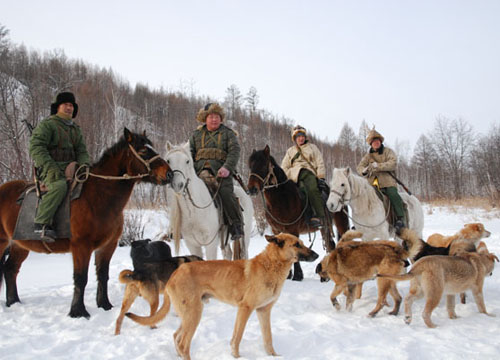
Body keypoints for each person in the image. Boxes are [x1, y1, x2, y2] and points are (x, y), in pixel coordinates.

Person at [29, 92, 90, 242]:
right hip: (50, 169)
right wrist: (50, 167)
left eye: (71, 105)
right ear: (58, 107)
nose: (69, 108)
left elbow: (81, 151)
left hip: (72, 168)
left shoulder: (75, 129)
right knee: (59, 186)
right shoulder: (48, 125)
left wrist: (85, 165)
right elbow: (36, 147)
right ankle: (41, 223)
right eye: (66, 105)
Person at [189, 103, 244, 240]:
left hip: (220, 173)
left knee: (226, 193)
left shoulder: (228, 134)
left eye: (217, 117)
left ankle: (236, 225)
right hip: (198, 172)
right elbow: (189, 153)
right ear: (205, 118)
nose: (214, 119)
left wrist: (227, 168)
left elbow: (234, 151)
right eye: (211, 117)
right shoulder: (196, 134)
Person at [357, 128, 405, 232]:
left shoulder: (388, 152)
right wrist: (364, 171)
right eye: (374, 141)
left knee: (393, 195)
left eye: (377, 141)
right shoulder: (367, 156)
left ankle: (400, 218)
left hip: (387, 182)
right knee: (363, 198)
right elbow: (359, 167)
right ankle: (362, 222)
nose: (376, 143)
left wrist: (378, 166)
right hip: (372, 184)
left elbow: (393, 163)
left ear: (380, 142)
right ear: (371, 144)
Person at [281, 125, 326, 228]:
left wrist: (321, 177)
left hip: (308, 172)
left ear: (305, 137)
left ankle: (318, 215)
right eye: (298, 136)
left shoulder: (312, 148)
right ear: (295, 139)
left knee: (311, 189)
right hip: (293, 176)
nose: (300, 138)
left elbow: (320, 163)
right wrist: (289, 175)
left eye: (302, 136)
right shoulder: (290, 151)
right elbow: (284, 167)